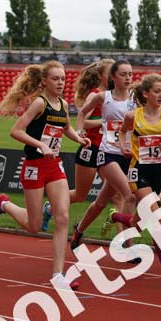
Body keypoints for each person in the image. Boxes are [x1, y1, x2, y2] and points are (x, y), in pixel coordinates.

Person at [0, 61, 90, 290]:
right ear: (44, 81)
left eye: (63, 79)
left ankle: (58, 275)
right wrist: (39, 145)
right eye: (56, 79)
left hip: (54, 166)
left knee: (62, 216)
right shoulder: (39, 104)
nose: (61, 83)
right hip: (34, 166)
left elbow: (65, 128)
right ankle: (3, 204)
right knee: (33, 226)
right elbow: (16, 131)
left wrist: (79, 138)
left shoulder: (62, 104)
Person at [112, 74, 161, 278]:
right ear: (145, 94)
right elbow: (122, 132)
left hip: (158, 172)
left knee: (138, 221)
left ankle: (118, 217)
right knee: (158, 218)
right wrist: (123, 145)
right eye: (157, 91)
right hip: (138, 172)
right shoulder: (132, 116)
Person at [41, 59, 116, 231]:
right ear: (101, 76)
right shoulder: (95, 95)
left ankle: (124, 243)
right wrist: (103, 123)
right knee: (80, 195)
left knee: (118, 195)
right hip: (90, 148)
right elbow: (83, 121)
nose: (113, 76)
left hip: (109, 150)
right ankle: (50, 208)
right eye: (109, 73)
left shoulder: (117, 96)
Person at [71, 60, 137, 253]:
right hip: (107, 155)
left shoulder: (135, 98)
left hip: (128, 156)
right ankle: (128, 245)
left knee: (101, 202)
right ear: (113, 77)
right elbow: (82, 113)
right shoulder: (102, 97)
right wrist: (80, 130)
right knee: (128, 196)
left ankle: (79, 229)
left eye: (130, 74)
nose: (128, 78)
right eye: (123, 74)